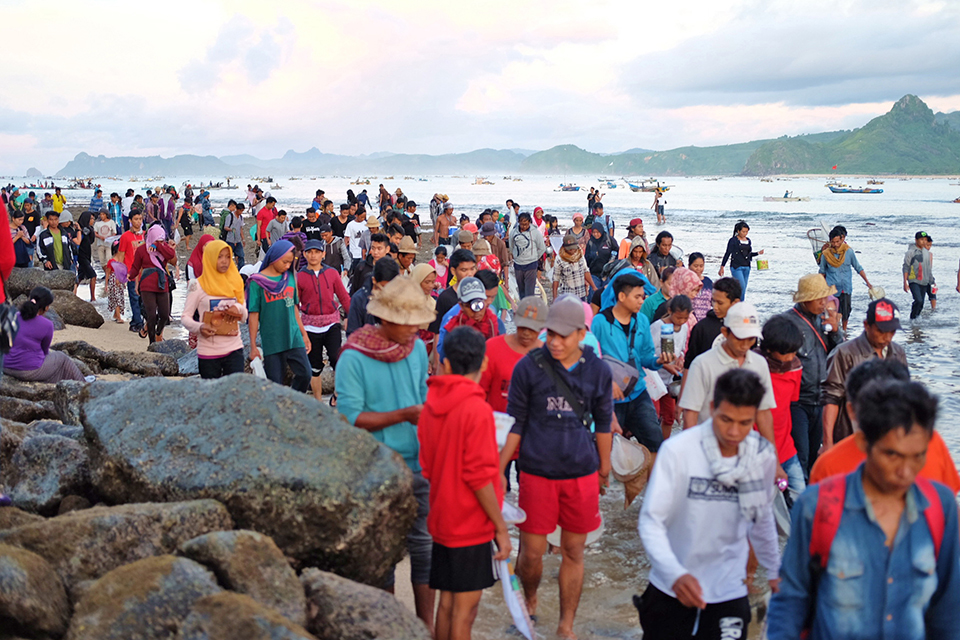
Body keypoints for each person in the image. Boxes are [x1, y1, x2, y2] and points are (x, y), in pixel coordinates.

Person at [768, 379, 960, 640]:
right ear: (863, 443)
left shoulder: (940, 507)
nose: (906, 472)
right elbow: (790, 601)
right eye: (892, 455)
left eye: (917, 456)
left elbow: (947, 609)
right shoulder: (818, 507)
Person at [500, 297, 613, 640]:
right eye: (550, 335)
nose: (555, 342)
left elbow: (604, 424)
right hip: (536, 472)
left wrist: (604, 471)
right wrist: (498, 467)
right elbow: (515, 424)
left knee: (574, 551)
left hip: (581, 473)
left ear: (581, 334)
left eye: (564, 336)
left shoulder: (598, 370)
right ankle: (530, 598)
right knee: (531, 554)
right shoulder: (528, 368)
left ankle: (566, 625)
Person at [638, 369, 781, 640]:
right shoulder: (678, 451)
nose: (733, 432)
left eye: (745, 423)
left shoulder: (761, 456)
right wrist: (675, 573)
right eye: (726, 419)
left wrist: (775, 573)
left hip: (728, 588)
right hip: (671, 586)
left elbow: (761, 522)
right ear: (713, 407)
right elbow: (650, 521)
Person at [336, 276, 437, 630]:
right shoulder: (354, 356)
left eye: (417, 323)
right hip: (377, 469)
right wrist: (404, 416)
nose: (413, 330)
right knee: (383, 556)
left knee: (425, 549)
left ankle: (426, 628)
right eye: (405, 323)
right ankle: (390, 627)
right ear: (384, 318)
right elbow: (350, 417)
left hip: (420, 463)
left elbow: (424, 399)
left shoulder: (418, 349)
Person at [418, 326, 511, 640]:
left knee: (447, 602)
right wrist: (500, 526)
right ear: (483, 364)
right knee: (465, 612)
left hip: (442, 517)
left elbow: (428, 466)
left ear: (444, 363)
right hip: (470, 524)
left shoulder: (431, 406)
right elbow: (479, 476)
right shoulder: (477, 410)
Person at [678, 302, 777, 451]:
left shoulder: (759, 363)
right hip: (707, 446)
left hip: (744, 449)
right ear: (725, 333)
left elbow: (763, 412)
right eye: (739, 338)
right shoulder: (702, 364)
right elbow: (690, 414)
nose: (744, 345)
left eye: (750, 339)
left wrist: (772, 456)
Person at [592, 273, 674, 451]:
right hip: (609, 398)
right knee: (601, 450)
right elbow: (590, 360)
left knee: (656, 444)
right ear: (621, 296)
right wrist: (607, 380)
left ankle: (651, 479)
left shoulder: (642, 321)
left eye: (643, 297)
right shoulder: (600, 322)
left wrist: (659, 360)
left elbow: (645, 357)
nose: (641, 301)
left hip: (637, 394)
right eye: (637, 297)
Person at [821, 298, 908, 449]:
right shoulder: (845, 353)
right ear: (866, 325)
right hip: (850, 436)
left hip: (887, 437)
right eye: (881, 331)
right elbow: (831, 399)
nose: (887, 337)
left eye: (892, 331)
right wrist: (827, 442)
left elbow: (904, 396)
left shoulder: (897, 353)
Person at [778, 273, 843, 476]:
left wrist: (835, 331)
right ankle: (797, 501)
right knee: (801, 456)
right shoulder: (787, 323)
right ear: (805, 299)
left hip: (821, 399)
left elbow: (839, 352)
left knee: (817, 456)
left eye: (825, 298)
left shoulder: (823, 321)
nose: (824, 303)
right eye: (819, 299)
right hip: (797, 401)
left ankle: (812, 498)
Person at [247, 240, 311, 392]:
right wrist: (253, 345)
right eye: (285, 262)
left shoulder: (289, 278)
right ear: (274, 257)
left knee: (305, 374)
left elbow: (295, 308)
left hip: (293, 337)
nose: (288, 266)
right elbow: (254, 315)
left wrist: (304, 334)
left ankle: (292, 400)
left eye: (290, 262)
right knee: (275, 384)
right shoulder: (257, 282)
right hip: (272, 340)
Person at [181, 241, 248, 379]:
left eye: (228, 257)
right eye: (219, 257)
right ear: (210, 258)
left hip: (234, 349)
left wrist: (238, 309)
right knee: (212, 395)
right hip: (209, 352)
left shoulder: (235, 282)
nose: (224, 261)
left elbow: (244, 316)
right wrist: (200, 327)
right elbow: (185, 317)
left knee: (234, 394)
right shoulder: (197, 285)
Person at [758, 314, 806, 501]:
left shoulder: (795, 367)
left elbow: (791, 403)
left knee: (800, 496)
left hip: (786, 447)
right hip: (758, 449)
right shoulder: (753, 365)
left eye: (794, 351)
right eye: (786, 352)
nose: (791, 357)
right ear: (769, 348)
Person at [296, 239, 350, 402]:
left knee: (336, 358)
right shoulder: (300, 276)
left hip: (331, 323)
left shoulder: (332, 273)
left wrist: (351, 316)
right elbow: (294, 303)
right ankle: (318, 402)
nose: (313, 255)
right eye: (310, 252)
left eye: (317, 252)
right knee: (315, 365)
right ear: (305, 254)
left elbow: (343, 297)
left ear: (323, 254)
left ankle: (338, 394)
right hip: (310, 326)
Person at [3, 287, 85, 383]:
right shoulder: (47, 324)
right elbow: (44, 350)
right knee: (62, 357)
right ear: (46, 307)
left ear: (30, 300)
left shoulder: (13, 316)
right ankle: (83, 385)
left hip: (6, 366)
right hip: (27, 371)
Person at [650, 295, 692, 440]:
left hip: (669, 382)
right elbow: (648, 352)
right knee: (652, 417)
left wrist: (680, 359)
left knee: (669, 416)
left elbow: (680, 348)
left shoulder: (685, 327)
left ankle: (664, 445)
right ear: (670, 311)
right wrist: (667, 365)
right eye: (678, 318)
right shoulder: (658, 327)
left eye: (684, 318)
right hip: (653, 379)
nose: (681, 321)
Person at [818, 226, 872, 332]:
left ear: (842, 239)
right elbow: (822, 272)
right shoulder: (826, 255)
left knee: (846, 312)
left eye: (838, 241)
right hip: (831, 288)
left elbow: (858, 267)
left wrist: (868, 282)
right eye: (833, 242)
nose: (836, 245)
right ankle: (835, 332)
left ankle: (844, 331)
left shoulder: (849, 252)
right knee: (832, 312)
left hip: (846, 287)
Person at [128, 224, 176, 343]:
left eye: (162, 237)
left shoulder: (163, 248)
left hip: (162, 283)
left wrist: (159, 246)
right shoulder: (141, 250)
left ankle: (158, 332)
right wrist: (130, 276)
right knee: (151, 316)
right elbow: (136, 266)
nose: (160, 239)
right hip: (147, 285)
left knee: (165, 314)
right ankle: (152, 342)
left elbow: (171, 255)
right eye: (158, 237)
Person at [436, 276, 502, 362]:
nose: (477, 311)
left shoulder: (495, 324)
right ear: (461, 306)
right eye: (469, 305)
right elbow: (443, 361)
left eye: (480, 303)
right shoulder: (452, 327)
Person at [346, 257, 400, 336]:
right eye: (384, 286)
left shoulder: (401, 297)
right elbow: (353, 334)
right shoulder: (359, 299)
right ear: (374, 280)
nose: (388, 290)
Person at [117, 210, 147, 333]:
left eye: (140, 219)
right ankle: (138, 322)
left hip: (144, 272)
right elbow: (120, 255)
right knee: (134, 298)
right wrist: (120, 274)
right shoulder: (125, 237)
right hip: (131, 273)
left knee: (143, 299)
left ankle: (137, 321)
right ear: (130, 220)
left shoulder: (145, 235)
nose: (138, 221)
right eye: (136, 219)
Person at [719, 221, 762, 300]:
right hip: (736, 267)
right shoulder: (733, 240)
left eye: (746, 232)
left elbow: (748, 254)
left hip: (747, 267)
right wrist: (722, 266)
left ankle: (738, 304)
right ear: (738, 231)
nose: (745, 233)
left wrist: (758, 253)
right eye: (743, 231)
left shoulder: (748, 240)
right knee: (740, 287)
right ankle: (739, 305)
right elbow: (728, 253)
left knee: (744, 289)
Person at [510, 212, 546, 299]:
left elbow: (542, 248)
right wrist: (515, 256)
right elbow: (511, 246)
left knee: (529, 291)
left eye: (526, 224)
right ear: (518, 222)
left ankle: (529, 308)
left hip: (531, 264)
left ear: (529, 222)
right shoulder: (513, 232)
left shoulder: (535, 233)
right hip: (518, 264)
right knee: (521, 290)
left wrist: (534, 258)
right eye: (521, 224)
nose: (524, 226)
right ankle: (523, 308)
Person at [553, 233, 596, 301]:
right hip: (567, 295)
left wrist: (594, 287)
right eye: (570, 249)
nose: (572, 251)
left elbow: (586, 271)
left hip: (581, 293)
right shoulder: (559, 259)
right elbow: (556, 279)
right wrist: (555, 297)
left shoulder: (580, 254)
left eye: (573, 248)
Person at [903, 231, 932, 320]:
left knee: (921, 303)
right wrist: (905, 282)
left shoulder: (927, 253)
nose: (924, 242)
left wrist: (932, 282)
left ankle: (916, 320)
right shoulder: (910, 252)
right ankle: (912, 319)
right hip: (913, 280)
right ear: (916, 240)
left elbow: (928, 268)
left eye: (925, 240)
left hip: (924, 281)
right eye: (921, 239)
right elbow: (905, 267)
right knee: (918, 300)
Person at [585, 222, 616, 288]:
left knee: (607, 294)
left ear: (601, 231)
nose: (596, 234)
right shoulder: (590, 242)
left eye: (598, 232)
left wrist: (612, 261)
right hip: (594, 273)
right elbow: (586, 258)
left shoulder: (609, 240)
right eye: (594, 232)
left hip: (607, 273)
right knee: (593, 294)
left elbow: (618, 252)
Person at [74, 212, 97, 300]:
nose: (93, 221)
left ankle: (73, 294)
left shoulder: (88, 229)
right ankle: (93, 298)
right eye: (91, 219)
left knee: (79, 277)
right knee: (93, 275)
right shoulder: (81, 231)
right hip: (82, 257)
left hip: (87, 256)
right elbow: (78, 244)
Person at [686, 252, 714, 322]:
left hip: (706, 321)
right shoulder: (686, 281)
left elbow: (714, 301)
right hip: (690, 320)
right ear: (689, 266)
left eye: (701, 266)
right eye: (695, 266)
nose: (698, 269)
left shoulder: (708, 282)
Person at [103, 241, 125, 323]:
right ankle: (118, 317)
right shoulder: (111, 261)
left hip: (119, 280)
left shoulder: (122, 261)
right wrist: (106, 285)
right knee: (117, 298)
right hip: (113, 280)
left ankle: (116, 315)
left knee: (119, 297)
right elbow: (107, 273)